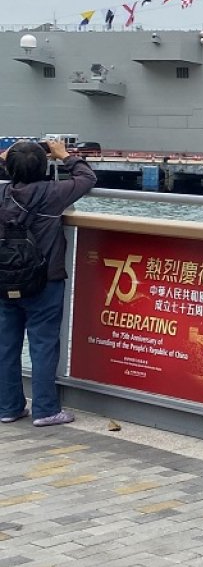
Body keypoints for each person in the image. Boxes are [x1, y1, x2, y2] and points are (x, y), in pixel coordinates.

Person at [0, 139, 96, 426]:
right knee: (43, 344)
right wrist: (64, 154)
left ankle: (8, 407)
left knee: (5, 345)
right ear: (44, 166)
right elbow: (87, 177)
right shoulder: (54, 193)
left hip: (4, 279)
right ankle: (45, 410)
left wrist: (6, 158)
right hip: (45, 281)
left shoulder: (2, 192)